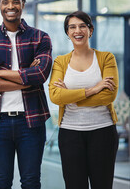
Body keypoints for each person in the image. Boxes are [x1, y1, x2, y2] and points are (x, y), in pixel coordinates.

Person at [0, 0, 52, 189]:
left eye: (15, 2)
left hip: (31, 122)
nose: (10, 6)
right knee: (1, 183)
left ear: (23, 4)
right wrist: (25, 79)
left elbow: (41, 74)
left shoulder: (40, 38)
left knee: (31, 182)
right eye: (5, 2)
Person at [49, 11, 119, 189]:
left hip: (103, 132)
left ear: (91, 30)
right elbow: (56, 96)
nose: (77, 31)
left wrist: (72, 97)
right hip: (70, 134)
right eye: (72, 27)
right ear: (67, 32)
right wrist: (93, 89)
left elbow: (108, 96)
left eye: (82, 26)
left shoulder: (106, 58)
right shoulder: (60, 62)